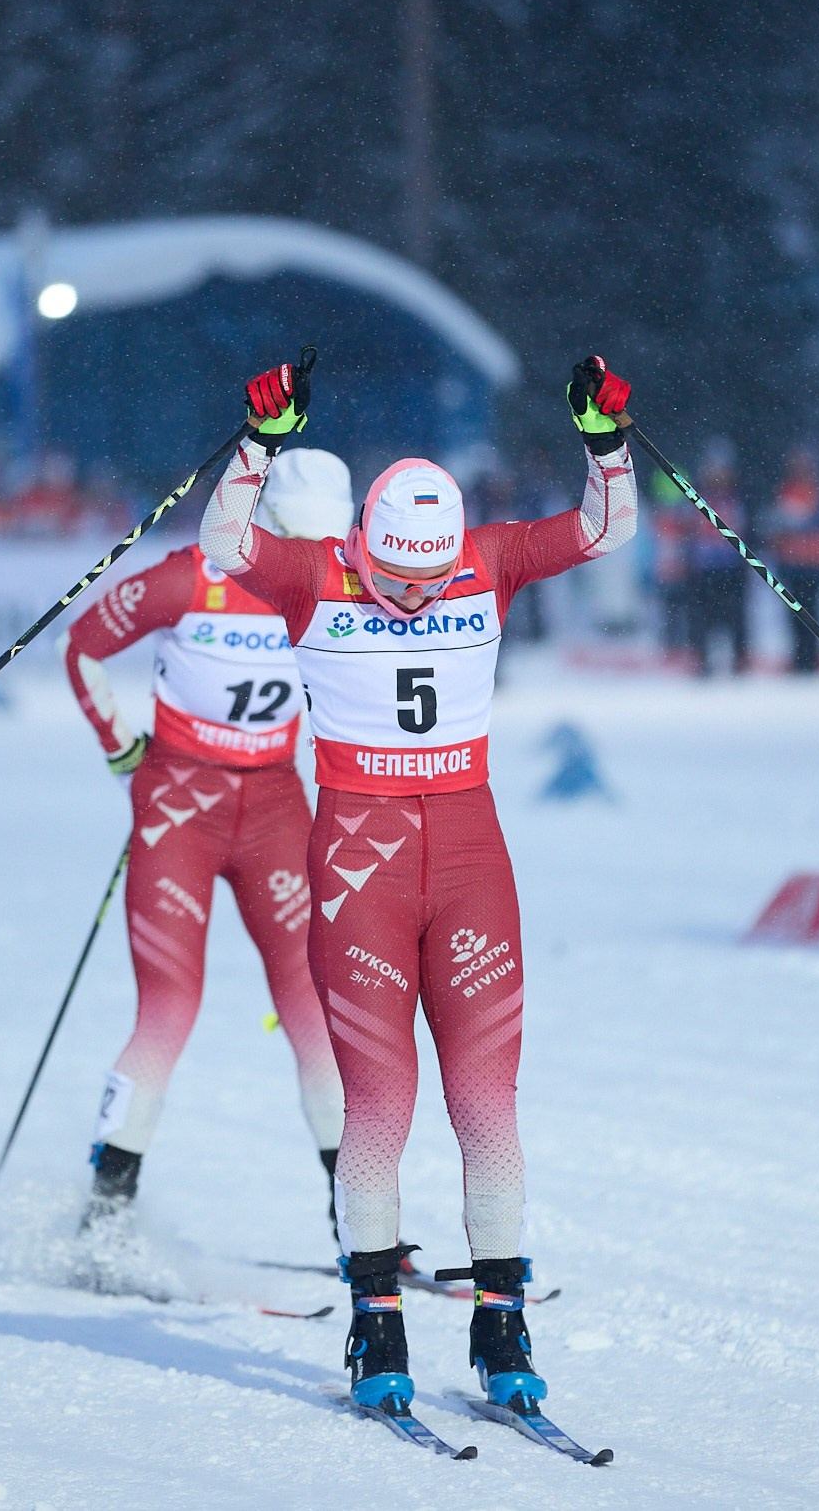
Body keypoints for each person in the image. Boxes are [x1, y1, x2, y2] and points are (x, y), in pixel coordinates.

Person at [197, 352, 636, 1424]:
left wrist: (604, 443)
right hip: (359, 867)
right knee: (379, 1104)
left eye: (431, 582)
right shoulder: (312, 573)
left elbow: (604, 529)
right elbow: (220, 544)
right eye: (398, 580)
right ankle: (376, 1320)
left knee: (488, 1103)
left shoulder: (481, 558)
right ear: (363, 548)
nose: (414, 598)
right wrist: (257, 446)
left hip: (473, 858)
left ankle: (501, 1324)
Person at [60, 448, 356, 1231]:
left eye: (334, 541)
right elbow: (81, 643)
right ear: (262, 523)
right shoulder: (187, 576)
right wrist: (123, 748)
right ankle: (106, 1219)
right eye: (303, 538)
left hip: (276, 811)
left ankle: (361, 1226)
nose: (319, 559)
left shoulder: (346, 586)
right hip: (179, 808)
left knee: (315, 1008)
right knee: (169, 1008)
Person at [767, 445, 819, 673]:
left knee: (813, 611)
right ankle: (800, 656)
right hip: (792, 561)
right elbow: (778, 526)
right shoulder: (785, 491)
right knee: (794, 612)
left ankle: (812, 656)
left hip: (813, 562)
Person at [685, 444, 752, 676]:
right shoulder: (697, 495)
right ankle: (702, 659)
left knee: (735, 616)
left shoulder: (738, 496)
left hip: (730, 567)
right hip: (704, 568)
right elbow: (689, 532)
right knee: (702, 617)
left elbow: (746, 530)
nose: (717, 475)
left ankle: (738, 660)